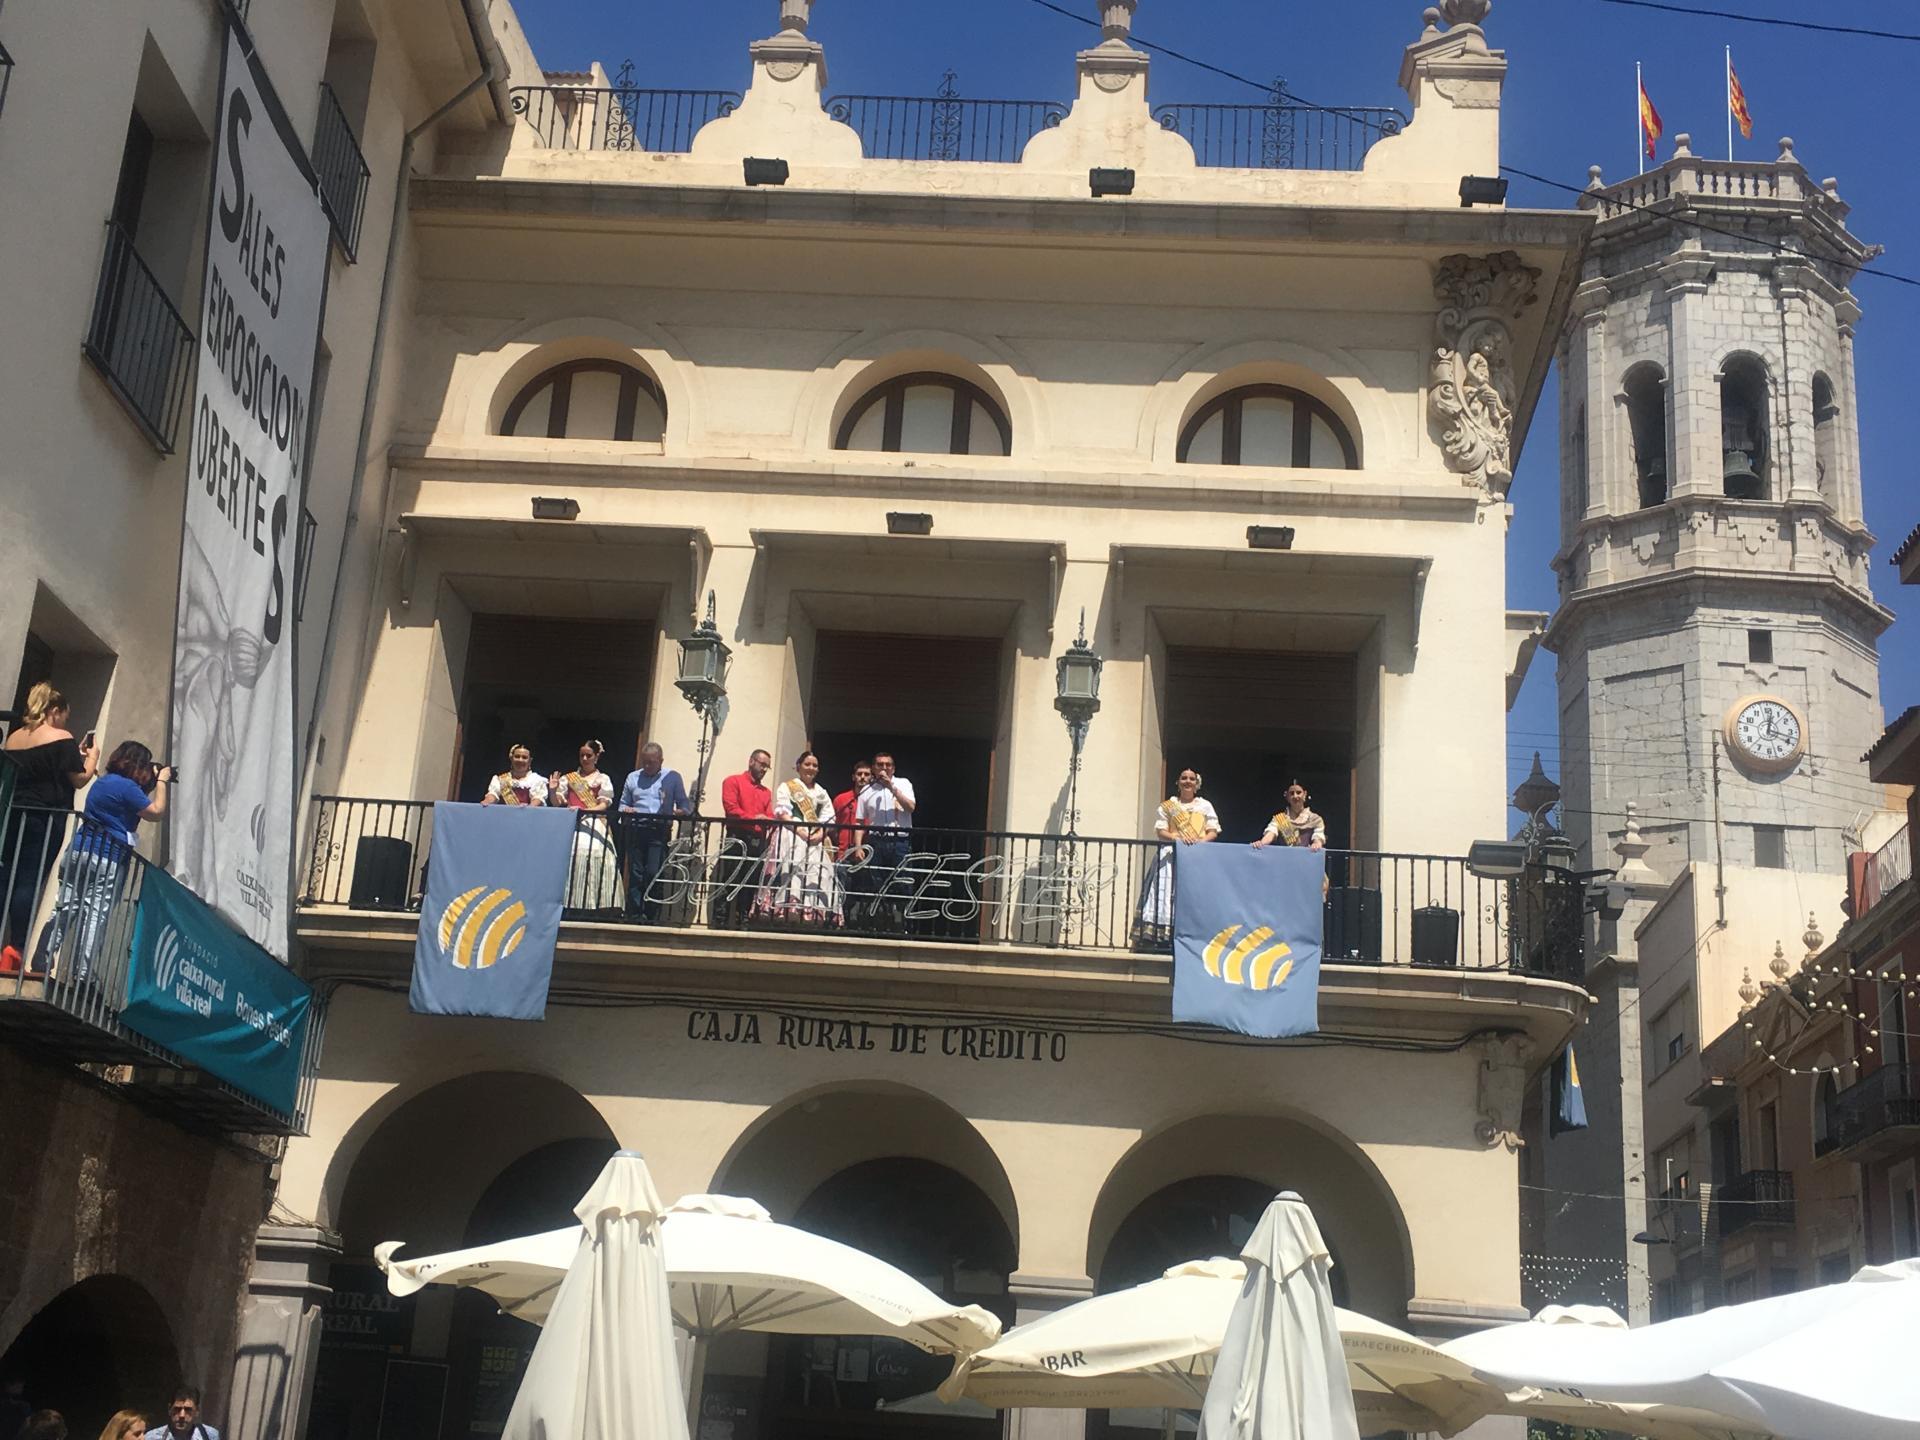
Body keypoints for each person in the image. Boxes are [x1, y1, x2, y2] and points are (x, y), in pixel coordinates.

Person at [38, 741, 171, 982]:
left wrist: (149, 782)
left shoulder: (104, 782)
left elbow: (127, 803)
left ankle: (41, 960)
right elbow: (156, 812)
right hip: (107, 857)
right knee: (95, 915)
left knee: (65, 907)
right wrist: (162, 781)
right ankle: (83, 975)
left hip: (78, 850)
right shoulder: (129, 788)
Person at [2, 683, 97, 971]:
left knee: (6, 877)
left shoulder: (15, 738)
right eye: (65, 716)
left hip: (12, 813)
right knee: (29, 881)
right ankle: (15, 947)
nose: (65, 722)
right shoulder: (61, 738)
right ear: (55, 711)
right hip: (45, 817)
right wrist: (92, 757)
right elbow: (79, 779)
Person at [1133, 767, 1220, 949]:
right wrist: (1177, 838)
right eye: (1184, 778)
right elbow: (1161, 831)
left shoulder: (1205, 806)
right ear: (1178, 783)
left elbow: (1213, 831)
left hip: (1197, 856)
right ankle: (1162, 937)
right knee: (1165, 892)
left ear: (1197, 784)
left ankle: (1192, 935)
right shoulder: (1169, 806)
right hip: (1170, 855)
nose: (1188, 781)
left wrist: (1199, 843)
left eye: (1191, 779)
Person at [755, 750, 841, 928]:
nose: (811, 768)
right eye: (807, 764)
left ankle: (810, 912)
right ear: (798, 766)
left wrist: (820, 834)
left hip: (815, 838)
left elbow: (829, 817)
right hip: (791, 833)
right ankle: (786, 908)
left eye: (815, 765)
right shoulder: (788, 787)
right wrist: (800, 831)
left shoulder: (821, 792)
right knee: (791, 866)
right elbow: (783, 812)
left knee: (819, 871)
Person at [618, 743, 689, 921]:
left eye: (652, 762)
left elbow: (685, 804)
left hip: (658, 830)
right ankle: (634, 914)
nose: (647, 766)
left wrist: (678, 812)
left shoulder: (672, 777)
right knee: (636, 873)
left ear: (661, 761)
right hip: (637, 828)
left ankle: (651, 915)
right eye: (645, 762)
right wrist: (626, 810)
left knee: (654, 872)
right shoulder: (633, 777)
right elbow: (623, 803)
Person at [549, 740, 621, 912]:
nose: (585, 758)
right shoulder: (569, 778)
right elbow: (557, 803)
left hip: (594, 822)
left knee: (597, 857)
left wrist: (585, 811)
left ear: (596, 757)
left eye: (589, 755)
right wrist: (552, 790)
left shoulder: (603, 779)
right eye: (582, 755)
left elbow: (604, 804)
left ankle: (598, 906)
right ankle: (570, 904)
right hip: (572, 823)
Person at [853, 752, 916, 932]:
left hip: (900, 841)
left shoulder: (904, 783)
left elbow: (910, 807)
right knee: (876, 881)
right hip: (876, 841)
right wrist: (858, 846)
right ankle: (880, 921)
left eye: (888, 765)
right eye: (880, 765)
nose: (884, 768)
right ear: (874, 768)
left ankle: (903, 923)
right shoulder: (867, 791)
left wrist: (891, 787)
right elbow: (859, 822)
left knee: (902, 881)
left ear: (893, 768)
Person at [712, 749, 773, 928]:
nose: (764, 769)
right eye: (762, 764)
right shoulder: (733, 781)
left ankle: (743, 919)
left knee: (751, 880)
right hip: (737, 835)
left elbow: (769, 815)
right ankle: (721, 920)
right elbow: (731, 809)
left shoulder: (766, 792)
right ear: (751, 761)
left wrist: (766, 820)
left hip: (757, 839)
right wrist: (755, 818)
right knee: (730, 877)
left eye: (767, 767)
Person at [1251, 781, 1326, 851]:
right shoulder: (1281, 819)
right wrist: (1261, 843)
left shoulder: (1315, 819)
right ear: (1287, 796)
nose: (1295, 796)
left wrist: (1316, 844)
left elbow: (1318, 837)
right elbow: (1271, 833)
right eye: (1292, 793)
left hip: (1307, 858)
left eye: (1298, 792)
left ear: (1305, 794)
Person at [481, 744, 547, 806]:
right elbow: (493, 795)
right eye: (517, 756)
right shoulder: (500, 780)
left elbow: (537, 799)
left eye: (524, 757)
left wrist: (527, 809)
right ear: (511, 758)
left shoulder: (537, 780)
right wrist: (487, 801)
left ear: (530, 761)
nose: (520, 760)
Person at [831, 760, 872, 860]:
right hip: (843, 854)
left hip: (868, 854)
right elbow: (832, 827)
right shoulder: (840, 799)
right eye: (859, 774)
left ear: (872, 778)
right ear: (853, 777)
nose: (862, 777)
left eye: (866, 774)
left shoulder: (875, 801)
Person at [143, 1388, 216, 1440]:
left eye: (188, 1409)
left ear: (197, 1411)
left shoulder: (209, 1435)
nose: (182, 1415)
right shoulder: (153, 1437)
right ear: (169, 1409)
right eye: (177, 1409)